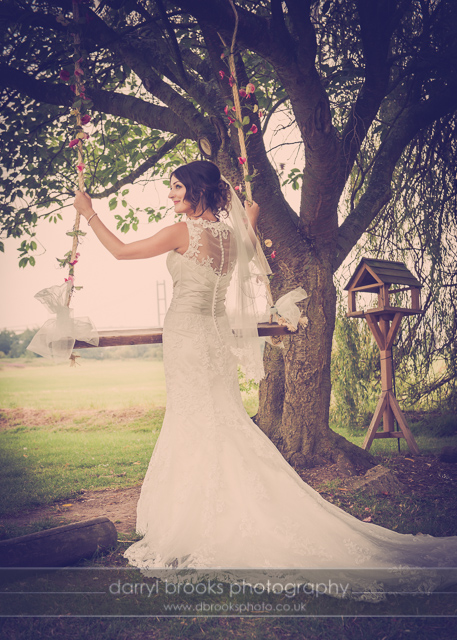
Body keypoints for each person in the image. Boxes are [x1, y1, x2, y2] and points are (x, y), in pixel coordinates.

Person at [74, 160, 457, 600]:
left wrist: (89, 213)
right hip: (213, 339)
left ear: (198, 190)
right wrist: (250, 221)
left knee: (197, 421)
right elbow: (246, 251)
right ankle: (217, 509)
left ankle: (204, 518)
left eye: (177, 187)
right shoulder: (231, 237)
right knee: (218, 420)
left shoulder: (182, 233)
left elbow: (122, 251)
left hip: (188, 338)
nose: (171, 194)